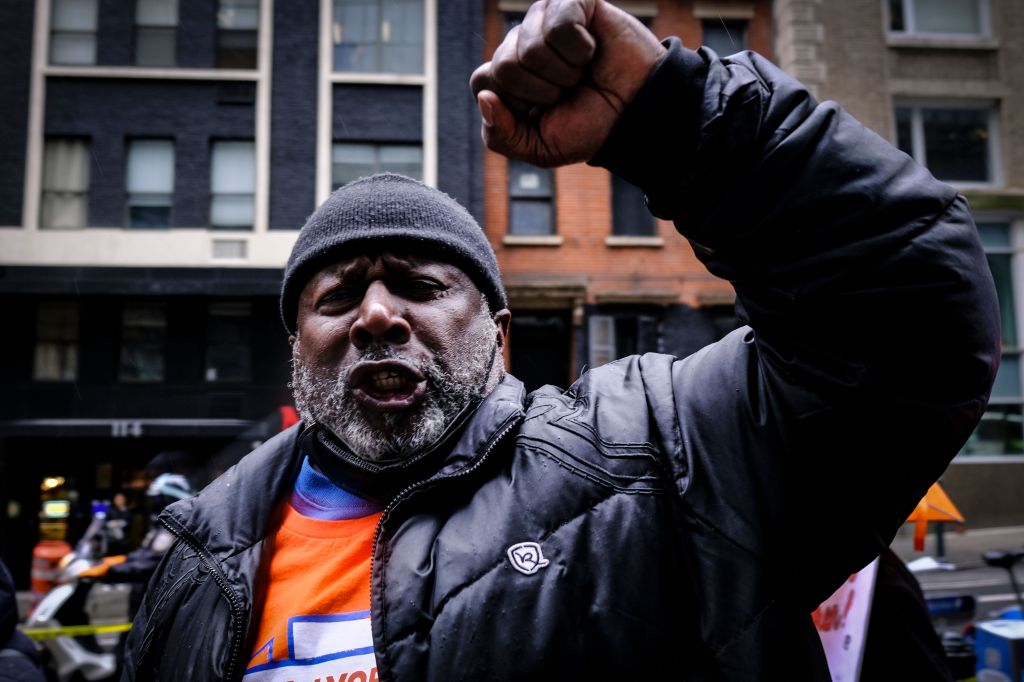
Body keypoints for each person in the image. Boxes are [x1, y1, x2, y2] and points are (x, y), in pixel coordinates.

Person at [122, 1, 1000, 679]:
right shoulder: (196, 557)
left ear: (500, 336)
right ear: (295, 348)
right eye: (339, 293)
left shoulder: (658, 452)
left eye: (423, 287)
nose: (377, 314)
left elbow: (902, 317)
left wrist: (675, 117)